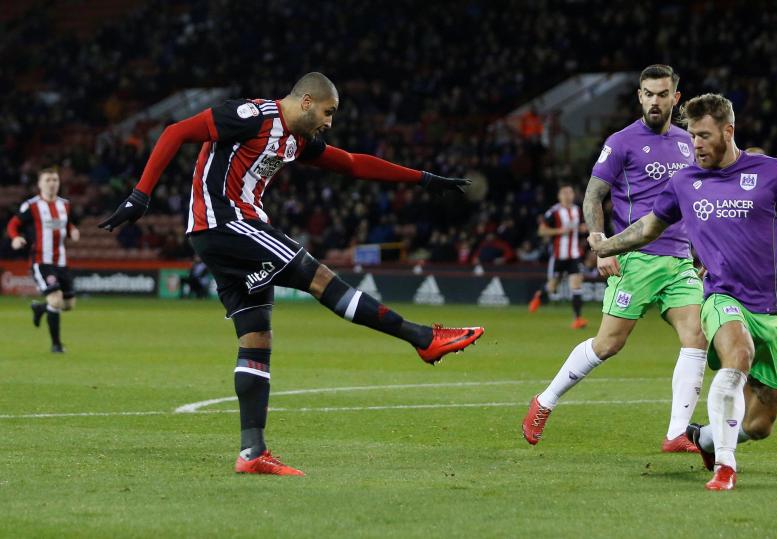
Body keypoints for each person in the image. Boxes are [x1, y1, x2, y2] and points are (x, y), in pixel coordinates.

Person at [98, 72, 485, 476]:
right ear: (305, 101)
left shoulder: (296, 139)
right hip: (226, 223)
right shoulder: (251, 115)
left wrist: (422, 178)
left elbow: (351, 164)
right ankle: (421, 337)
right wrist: (140, 195)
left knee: (256, 336)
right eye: (327, 112)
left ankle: (252, 452)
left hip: (219, 234)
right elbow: (176, 131)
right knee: (317, 277)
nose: (329, 123)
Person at [589, 93, 777, 490]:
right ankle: (725, 466)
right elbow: (649, 227)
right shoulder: (685, 181)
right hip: (722, 297)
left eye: (705, 136)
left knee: (760, 425)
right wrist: (607, 244)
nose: (697, 145)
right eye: (692, 136)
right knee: (737, 355)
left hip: (772, 308)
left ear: (729, 131)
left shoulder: (773, 173)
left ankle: (705, 438)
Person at [522, 65, 707, 452]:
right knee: (608, 345)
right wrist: (598, 240)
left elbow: (694, 203)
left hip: (679, 261)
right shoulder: (622, 142)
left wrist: (702, 251)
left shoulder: (690, 142)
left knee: (696, 337)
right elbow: (593, 195)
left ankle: (676, 432)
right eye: (648, 94)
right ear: (639, 96)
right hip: (634, 257)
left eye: (662, 94)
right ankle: (545, 400)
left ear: (676, 98)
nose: (655, 101)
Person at [6, 167, 79, 353]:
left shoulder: (65, 205)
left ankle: (40, 309)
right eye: (47, 180)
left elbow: (66, 224)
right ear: (39, 184)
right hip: (41, 260)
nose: (52, 183)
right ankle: (56, 345)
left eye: (55, 180)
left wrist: (72, 231)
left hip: (61, 261)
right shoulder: (31, 206)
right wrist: (15, 238)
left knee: (69, 304)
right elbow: (13, 225)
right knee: (55, 300)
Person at [528, 184, 589, 329]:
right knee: (552, 286)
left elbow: (581, 226)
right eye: (565, 193)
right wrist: (560, 231)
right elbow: (542, 231)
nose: (568, 195)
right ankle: (539, 295)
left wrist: (582, 228)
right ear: (559, 196)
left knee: (576, 285)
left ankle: (577, 319)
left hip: (574, 254)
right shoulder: (553, 212)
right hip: (558, 255)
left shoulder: (577, 210)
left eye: (570, 192)